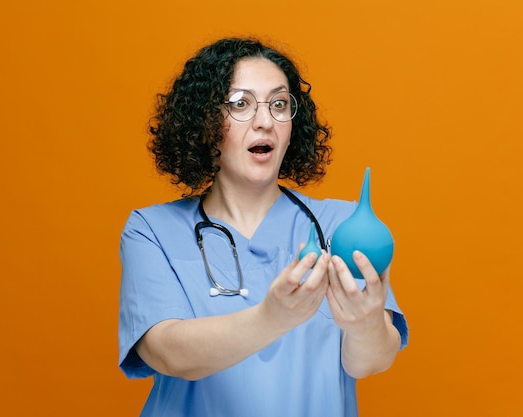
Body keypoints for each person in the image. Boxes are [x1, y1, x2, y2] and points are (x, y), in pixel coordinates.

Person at [118, 37, 409, 417]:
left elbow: (369, 361)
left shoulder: (340, 225)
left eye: (279, 104)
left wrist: (367, 323)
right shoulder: (151, 230)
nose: (265, 121)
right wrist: (272, 317)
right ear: (204, 123)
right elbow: (168, 353)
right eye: (241, 104)